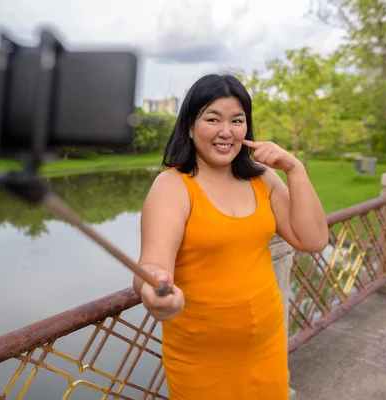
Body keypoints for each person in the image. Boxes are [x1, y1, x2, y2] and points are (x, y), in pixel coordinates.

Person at [132, 74, 328, 399]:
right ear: (190, 127)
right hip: (201, 357)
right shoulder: (173, 186)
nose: (226, 131)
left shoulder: (262, 178)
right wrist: (153, 287)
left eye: (237, 120)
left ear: (246, 128)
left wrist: (294, 169)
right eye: (213, 119)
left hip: (267, 344)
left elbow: (313, 239)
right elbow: (152, 264)